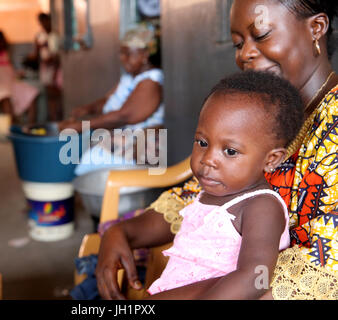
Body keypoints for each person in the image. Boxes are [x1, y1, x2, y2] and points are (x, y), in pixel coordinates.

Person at [95, 0, 338, 300]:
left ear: (316, 28)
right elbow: (201, 201)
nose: (245, 54)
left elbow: (324, 264)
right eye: (238, 43)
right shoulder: (255, 116)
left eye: (261, 36)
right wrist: (121, 232)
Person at [147, 70, 303, 298]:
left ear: (271, 160)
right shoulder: (208, 195)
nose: (208, 158)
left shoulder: (261, 207)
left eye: (230, 151)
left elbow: (256, 278)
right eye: (202, 142)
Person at [59, 25, 164, 176]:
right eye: (121, 53)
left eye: (128, 54)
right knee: (83, 157)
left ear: (145, 55)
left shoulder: (151, 81)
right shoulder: (131, 77)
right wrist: (87, 109)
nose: (122, 58)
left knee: (85, 166)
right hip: (122, 139)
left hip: (141, 146)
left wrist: (81, 126)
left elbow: (125, 115)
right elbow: (109, 100)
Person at [25, 13, 63, 121]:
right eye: (41, 22)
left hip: (55, 68)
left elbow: (57, 55)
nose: (43, 24)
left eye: (45, 21)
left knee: (57, 95)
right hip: (45, 68)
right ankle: (53, 118)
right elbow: (36, 54)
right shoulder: (39, 36)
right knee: (49, 95)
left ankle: (58, 118)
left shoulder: (55, 35)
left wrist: (54, 71)